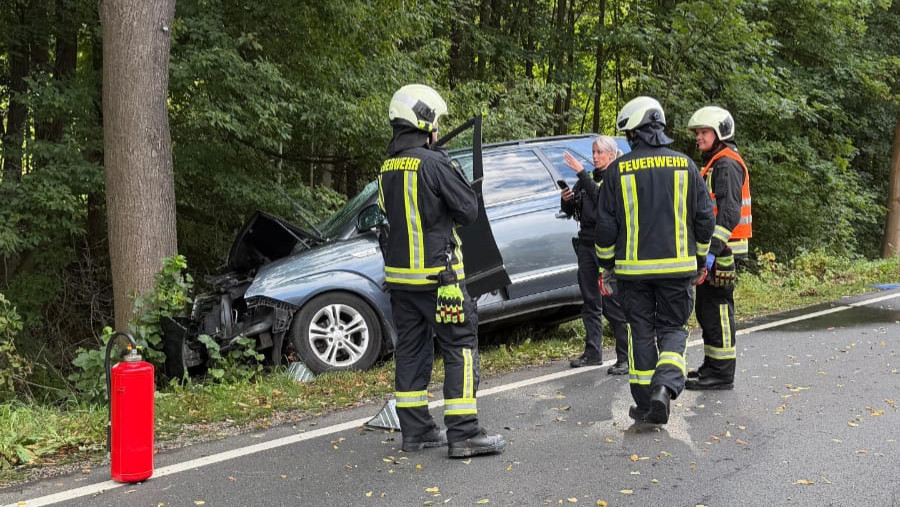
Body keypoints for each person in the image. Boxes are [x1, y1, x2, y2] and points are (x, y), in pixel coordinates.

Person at [377, 84, 506, 458]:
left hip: (401, 282)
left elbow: (388, 216)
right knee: (460, 349)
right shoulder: (435, 163)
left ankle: (416, 432)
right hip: (442, 280)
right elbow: (468, 210)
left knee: (412, 354)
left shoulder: (387, 168)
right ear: (424, 120)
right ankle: (464, 434)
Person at [594, 96, 715, 425]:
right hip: (678, 270)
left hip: (632, 274)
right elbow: (705, 218)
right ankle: (665, 388)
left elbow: (605, 228)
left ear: (634, 132)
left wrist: (606, 268)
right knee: (674, 329)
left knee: (640, 332)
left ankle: (647, 404)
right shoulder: (685, 165)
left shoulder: (617, 171)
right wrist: (701, 258)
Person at [685, 106, 752, 391]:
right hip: (715, 250)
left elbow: (729, 212)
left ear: (720, 133)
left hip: (723, 251)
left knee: (718, 311)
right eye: (697, 133)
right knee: (706, 309)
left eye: (703, 132)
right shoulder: (714, 162)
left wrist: (712, 251)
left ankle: (722, 373)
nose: (698, 138)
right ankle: (712, 365)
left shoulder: (726, 164)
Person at [560, 136, 629, 375]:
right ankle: (593, 353)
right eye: (593, 151)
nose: (595, 156)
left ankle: (625, 356)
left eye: (599, 152)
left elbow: (602, 202)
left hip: (607, 248)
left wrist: (581, 174)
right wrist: (566, 200)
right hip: (586, 245)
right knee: (590, 301)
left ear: (611, 154)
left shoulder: (615, 177)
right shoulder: (589, 177)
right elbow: (572, 211)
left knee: (611, 301)